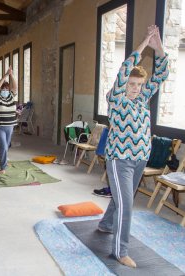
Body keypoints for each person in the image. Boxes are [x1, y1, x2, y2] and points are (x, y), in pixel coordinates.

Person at [98, 25, 169, 268]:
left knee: (122, 197)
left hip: (141, 158)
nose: (135, 88)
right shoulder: (116, 98)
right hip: (119, 159)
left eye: (138, 85)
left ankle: (106, 224)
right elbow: (124, 70)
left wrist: (158, 48)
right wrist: (143, 43)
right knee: (127, 204)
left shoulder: (142, 97)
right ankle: (120, 251)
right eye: (131, 84)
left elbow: (160, 75)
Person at [0, 66, 18, 174]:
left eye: (6, 89)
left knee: (6, 146)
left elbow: (15, 87)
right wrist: (5, 75)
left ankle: (2, 161)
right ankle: (3, 168)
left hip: (10, 126)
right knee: (3, 146)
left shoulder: (11, 97)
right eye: (3, 89)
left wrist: (11, 75)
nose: (4, 91)